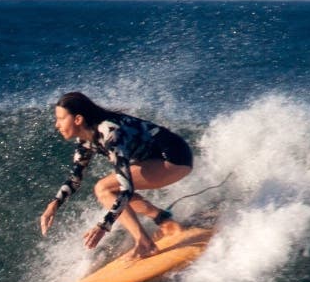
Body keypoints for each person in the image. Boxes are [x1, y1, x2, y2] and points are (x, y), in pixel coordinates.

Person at [38, 92, 194, 258]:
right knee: (111, 189)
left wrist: (103, 226)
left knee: (104, 189)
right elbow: (75, 179)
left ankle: (145, 244)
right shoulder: (85, 141)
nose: (57, 125)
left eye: (61, 119)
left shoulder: (110, 132)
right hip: (155, 160)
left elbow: (127, 189)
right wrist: (54, 204)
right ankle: (164, 220)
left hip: (174, 159)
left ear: (78, 119)